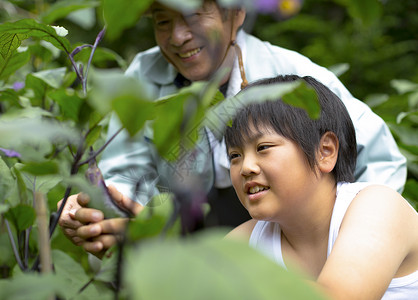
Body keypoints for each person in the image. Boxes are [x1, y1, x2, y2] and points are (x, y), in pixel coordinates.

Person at [57, 0, 407, 257]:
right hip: (190, 240)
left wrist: (345, 246)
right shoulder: (142, 78)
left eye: (195, 15)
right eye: (163, 22)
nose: (178, 37)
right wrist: (100, 208)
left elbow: (379, 161)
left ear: (236, 14)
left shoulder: (291, 76)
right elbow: (126, 172)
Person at [225, 75, 418, 300]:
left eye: (263, 147)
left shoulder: (379, 206)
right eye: (235, 156)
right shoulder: (244, 242)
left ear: (324, 151)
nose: (245, 167)